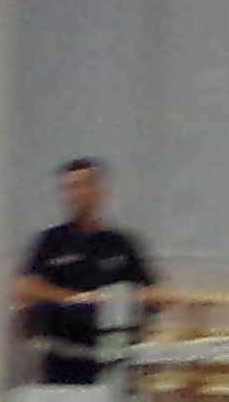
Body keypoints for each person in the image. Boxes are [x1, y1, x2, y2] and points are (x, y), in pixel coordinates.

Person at [16, 157, 161, 388]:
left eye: (85, 184)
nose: (79, 193)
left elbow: (154, 292)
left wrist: (118, 299)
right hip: (63, 359)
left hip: (114, 357)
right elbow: (26, 288)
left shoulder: (120, 243)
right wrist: (76, 299)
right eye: (71, 187)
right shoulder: (51, 242)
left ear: (100, 189)